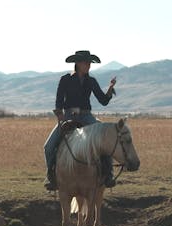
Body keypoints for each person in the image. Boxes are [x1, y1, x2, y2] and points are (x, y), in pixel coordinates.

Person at [43, 50, 117, 191]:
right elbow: (59, 100)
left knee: (104, 141)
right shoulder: (65, 79)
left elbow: (103, 101)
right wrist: (60, 115)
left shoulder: (92, 81)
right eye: (85, 62)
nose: (88, 65)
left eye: (89, 63)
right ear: (77, 63)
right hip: (68, 116)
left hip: (86, 116)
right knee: (48, 146)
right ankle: (51, 176)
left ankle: (108, 175)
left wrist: (110, 88)